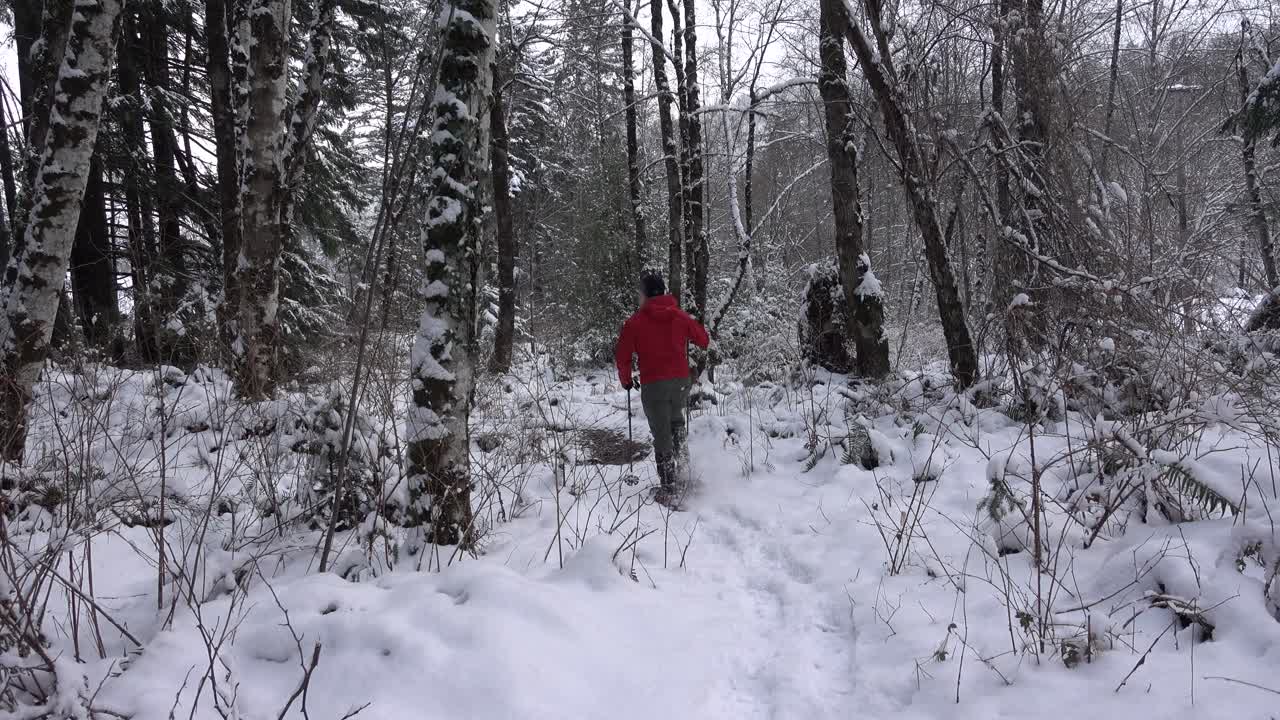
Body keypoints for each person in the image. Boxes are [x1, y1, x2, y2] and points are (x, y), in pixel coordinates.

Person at [614, 270, 709, 506]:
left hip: (654, 384)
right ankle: (685, 474)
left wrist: (626, 380)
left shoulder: (635, 322)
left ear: (645, 294)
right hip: (680, 382)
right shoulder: (679, 316)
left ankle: (669, 488)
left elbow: (622, 356)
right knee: (677, 423)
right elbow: (703, 339)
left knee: (662, 433)